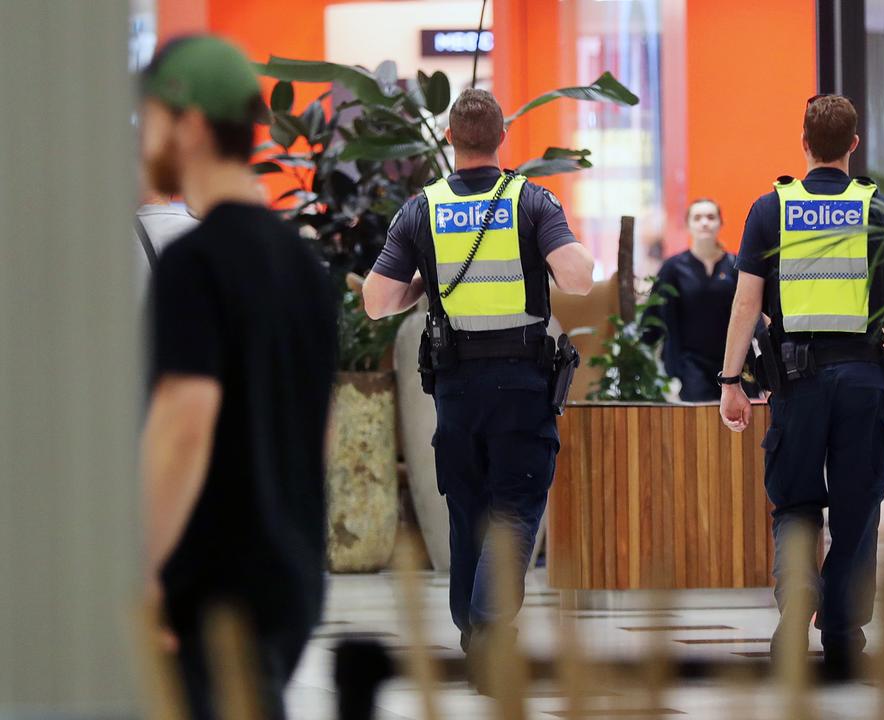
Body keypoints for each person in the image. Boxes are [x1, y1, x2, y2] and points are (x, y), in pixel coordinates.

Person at [139, 36, 338, 719]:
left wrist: (144, 568)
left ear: (190, 125)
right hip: (292, 574)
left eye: (153, 119)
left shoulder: (194, 264)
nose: (145, 138)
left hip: (216, 583)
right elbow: (321, 428)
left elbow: (184, 423)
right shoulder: (306, 269)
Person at [362, 89, 595, 671]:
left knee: (467, 507)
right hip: (521, 383)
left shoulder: (423, 208)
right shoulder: (532, 200)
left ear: (449, 139)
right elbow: (580, 278)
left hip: (456, 388)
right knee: (514, 505)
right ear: (501, 138)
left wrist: (421, 286)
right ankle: (491, 629)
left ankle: (472, 630)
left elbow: (376, 300)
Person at [718, 94, 884, 668]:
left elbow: (746, 302)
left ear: (803, 143)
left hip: (795, 384)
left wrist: (729, 380)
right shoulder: (882, 211)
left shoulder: (770, 209)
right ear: (853, 144)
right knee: (857, 507)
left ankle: (797, 605)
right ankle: (844, 638)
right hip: (864, 380)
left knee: (795, 504)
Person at [644, 198, 741, 401]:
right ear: (688, 225)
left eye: (710, 217)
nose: (704, 222)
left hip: (733, 361)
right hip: (690, 364)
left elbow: (750, 310)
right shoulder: (673, 268)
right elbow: (653, 317)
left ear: (720, 224)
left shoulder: (735, 265)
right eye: (697, 218)